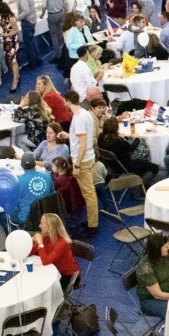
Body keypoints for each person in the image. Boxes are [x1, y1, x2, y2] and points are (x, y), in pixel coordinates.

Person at [66, 92, 99, 236]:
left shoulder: (78, 118)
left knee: (88, 193)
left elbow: (82, 144)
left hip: (82, 160)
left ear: (68, 102)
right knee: (89, 192)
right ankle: (92, 221)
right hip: (88, 157)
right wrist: (68, 135)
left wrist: (77, 165)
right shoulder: (85, 113)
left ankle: (93, 225)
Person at [135, 234, 169, 319]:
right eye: (166, 246)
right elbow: (157, 294)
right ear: (157, 249)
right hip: (152, 299)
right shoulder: (146, 267)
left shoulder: (165, 254)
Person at [29, 213, 79, 292]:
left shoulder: (62, 243)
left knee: (41, 286)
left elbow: (46, 262)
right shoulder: (45, 237)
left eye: (42, 223)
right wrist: (30, 242)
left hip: (68, 275)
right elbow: (30, 253)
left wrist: (40, 244)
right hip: (55, 270)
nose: (39, 226)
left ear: (50, 227)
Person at [14, 153, 55, 224]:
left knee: (2, 216)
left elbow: (14, 203)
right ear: (35, 163)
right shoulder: (47, 176)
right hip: (46, 216)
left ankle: (19, 230)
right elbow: (52, 194)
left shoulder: (18, 182)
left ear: (21, 165)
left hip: (26, 219)